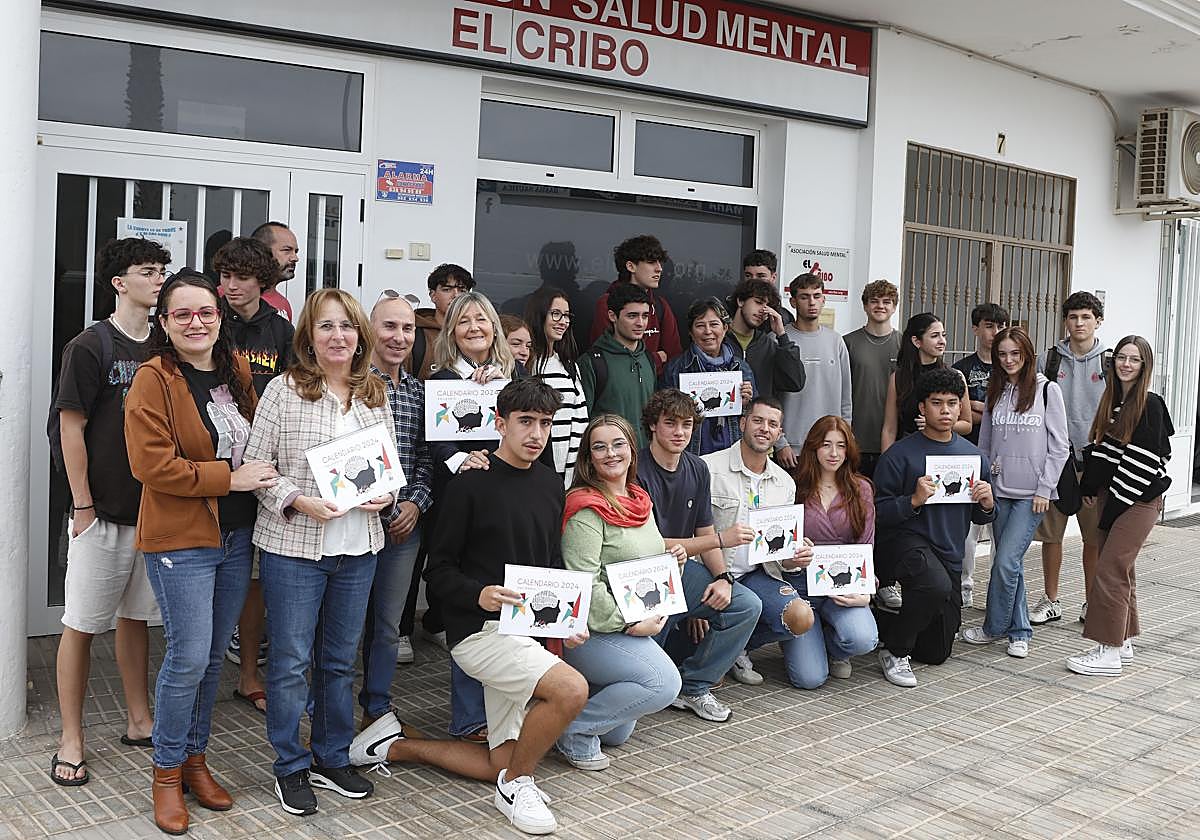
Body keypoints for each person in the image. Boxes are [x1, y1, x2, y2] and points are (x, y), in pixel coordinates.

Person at [349, 379, 589, 836]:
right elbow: (437, 570)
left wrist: (567, 618)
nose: (536, 434)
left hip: (525, 631)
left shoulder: (549, 481)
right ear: (499, 423)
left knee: (498, 760)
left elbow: (551, 563)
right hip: (478, 634)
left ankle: (393, 746)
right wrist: (478, 595)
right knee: (570, 690)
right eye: (525, 422)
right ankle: (517, 788)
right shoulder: (469, 485)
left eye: (544, 423)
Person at [124, 270, 278, 834]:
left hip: (235, 537)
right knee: (187, 658)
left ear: (221, 317)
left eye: (206, 313)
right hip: (182, 538)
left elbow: (260, 438)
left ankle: (194, 759)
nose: (196, 322)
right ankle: (165, 773)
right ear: (164, 322)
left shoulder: (236, 369)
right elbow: (151, 466)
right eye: (183, 314)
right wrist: (229, 479)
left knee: (213, 659)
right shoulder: (152, 379)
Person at [244, 288, 397, 815]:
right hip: (295, 548)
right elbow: (257, 467)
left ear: (361, 336)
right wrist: (299, 500)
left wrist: (387, 495)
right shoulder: (283, 392)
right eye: (326, 327)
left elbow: (388, 468)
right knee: (289, 662)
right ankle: (290, 766)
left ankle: (331, 757)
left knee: (338, 661)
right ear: (308, 335)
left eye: (347, 327)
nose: (338, 337)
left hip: (359, 549)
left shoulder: (375, 394)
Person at [50, 237, 168, 787]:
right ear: (119, 282)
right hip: (100, 514)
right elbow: (69, 428)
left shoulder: (167, 344)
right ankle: (71, 737)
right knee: (80, 625)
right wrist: (82, 505)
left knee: (137, 619)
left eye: (162, 269)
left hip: (153, 513)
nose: (159, 278)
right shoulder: (91, 346)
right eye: (149, 271)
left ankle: (139, 719)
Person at [421, 290, 522, 742]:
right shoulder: (441, 379)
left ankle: (506, 704)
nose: (474, 328)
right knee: (467, 598)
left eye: (482, 319)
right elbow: (434, 440)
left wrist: (503, 390)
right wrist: (461, 458)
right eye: (464, 322)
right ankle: (468, 718)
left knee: (504, 596)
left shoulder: (512, 378)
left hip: (505, 500)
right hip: (460, 499)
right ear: (451, 331)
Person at [558, 414, 686, 766]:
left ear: (632, 449)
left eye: (618, 444)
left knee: (616, 733)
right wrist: (631, 623)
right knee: (663, 683)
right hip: (593, 633)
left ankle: (579, 707)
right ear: (588, 457)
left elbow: (644, 562)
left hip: (632, 628)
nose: (610, 453)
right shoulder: (586, 510)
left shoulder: (639, 500)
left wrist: (671, 559)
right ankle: (571, 729)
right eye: (599, 447)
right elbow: (583, 585)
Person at [635, 389, 761, 720]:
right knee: (649, 662)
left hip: (683, 570)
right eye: (670, 423)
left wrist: (723, 578)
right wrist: (722, 539)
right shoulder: (635, 468)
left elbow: (704, 532)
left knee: (746, 605)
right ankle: (644, 687)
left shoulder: (697, 468)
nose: (679, 433)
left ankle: (694, 687)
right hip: (642, 574)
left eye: (687, 425)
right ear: (652, 425)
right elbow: (650, 545)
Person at [214, 235, 296, 714]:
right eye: (225, 277)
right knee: (224, 572)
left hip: (269, 467)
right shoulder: (213, 324)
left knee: (257, 579)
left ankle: (249, 674)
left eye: (241, 278)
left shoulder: (280, 332)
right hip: (220, 466)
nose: (231, 286)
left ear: (262, 282)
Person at [872, 369, 995, 687]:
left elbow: (978, 520)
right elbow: (876, 513)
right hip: (903, 543)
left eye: (952, 403)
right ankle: (894, 652)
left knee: (936, 651)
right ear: (922, 408)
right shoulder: (899, 455)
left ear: (960, 408)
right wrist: (912, 501)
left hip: (948, 553)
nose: (945, 410)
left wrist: (987, 505)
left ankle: (881, 624)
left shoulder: (974, 457)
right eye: (936, 403)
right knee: (934, 584)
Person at [1067, 336, 1173, 676]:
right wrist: (1089, 487)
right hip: (1115, 498)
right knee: (1121, 570)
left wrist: (1112, 506)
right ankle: (1123, 641)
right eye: (1122, 358)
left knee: (1109, 569)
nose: (1126, 364)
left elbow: (1143, 463)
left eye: (1135, 360)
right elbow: (1106, 454)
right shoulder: (1114, 403)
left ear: (1145, 367)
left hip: (1138, 500)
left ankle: (1108, 651)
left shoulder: (1149, 404)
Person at [960, 327, 1068, 659]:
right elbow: (986, 444)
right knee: (1012, 565)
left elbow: (1060, 447)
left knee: (1006, 562)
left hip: (1031, 496)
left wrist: (1045, 489)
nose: (1008, 360)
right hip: (999, 492)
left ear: (1027, 354)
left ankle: (995, 627)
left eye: (1015, 354)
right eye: (1002, 354)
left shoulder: (1047, 391)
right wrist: (983, 481)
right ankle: (1019, 630)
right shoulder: (996, 392)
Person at [702, 398, 816, 687]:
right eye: (758, 420)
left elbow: (781, 556)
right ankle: (713, 649)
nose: (764, 429)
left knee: (800, 617)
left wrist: (795, 557)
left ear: (779, 433)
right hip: (711, 574)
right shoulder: (708, 468)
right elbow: (694, 533)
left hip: (756, 575)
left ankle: (737, 648)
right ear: (742, 423)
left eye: (773, 424)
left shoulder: (784, 483)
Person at [358, 293, 434, 721]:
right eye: (389, 326)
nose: (399, 337)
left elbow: (427, 458)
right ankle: (324, 710)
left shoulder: (419, 393)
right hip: (356, 523)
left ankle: (377, 707)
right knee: (342, 626)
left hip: (404, 527)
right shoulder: (350, 387)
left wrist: (416, 506)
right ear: (370, 330)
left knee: (387, 628)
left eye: (407, 329)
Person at [780, 416, 880, 685]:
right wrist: (791, 558)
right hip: (801, 585)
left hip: (843, 583)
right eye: (826, 445)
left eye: (841, 445)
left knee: (863, 639)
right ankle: (809, 642)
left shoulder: (862, 489)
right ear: (813, 447)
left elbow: (866, 546)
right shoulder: (793, 487)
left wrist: (866, 590)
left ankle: (834, 648)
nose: (834, 453)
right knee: (809, 679)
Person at [1030, 292, 1110, 626]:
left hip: (1094, 462)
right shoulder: (1049, 360)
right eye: (1073, 317)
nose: (1079, 323)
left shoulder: (1110, 362)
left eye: (1086, 317)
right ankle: (1051, 600)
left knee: (1093, 539)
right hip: (1055, 461)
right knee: (1051, 537)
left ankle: (1092, 603)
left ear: (1098, 321)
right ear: (1065, 321)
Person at [952, 303, 1009, 608]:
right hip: (970, 458)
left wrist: (979, 407)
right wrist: (984, 408)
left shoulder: (1011, 366)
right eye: (989, 326)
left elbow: (1007, 411)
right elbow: (963, 415)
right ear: (976, 328)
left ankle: (999, 594)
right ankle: (964, 589)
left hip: (1004, 461)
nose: (994, 333)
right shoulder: (962, 369)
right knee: (968, 533)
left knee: (1002, 532)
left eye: (1000, 326)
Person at [659, 298, 756, 456]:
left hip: (732, 454)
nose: (708, 331)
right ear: (690, 332)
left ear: (725, 329)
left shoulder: (741, 368)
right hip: (692, 454)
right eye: (700, 325)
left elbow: (755, 418)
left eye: (714, 324)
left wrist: (746, 404)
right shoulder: (676, 368)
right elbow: (663, 417)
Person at [780, 274, 852, 464]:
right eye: (804, 297)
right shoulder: (779, 339)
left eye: (817, 296)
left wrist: (844, 438)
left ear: (823, 300)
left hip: (829, 448)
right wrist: (780, 442)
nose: (812, 302)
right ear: (793, 301)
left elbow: (846, 399)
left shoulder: (836, 341)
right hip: (791, 449)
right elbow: (770, 396)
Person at [589, 234, 681, 376]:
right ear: (631, 266)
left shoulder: (660, 305)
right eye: (651, 262)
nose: (659, 269)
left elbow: (674, 359)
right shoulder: (606, 304)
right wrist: (655, 358)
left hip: (656, 394)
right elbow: (607, 360)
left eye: (659, 262)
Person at [524, 285, 589, 486]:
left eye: (567, 315)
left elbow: (580, 420)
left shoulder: (569, 365)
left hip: (566, 472)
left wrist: (574, 472)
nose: (563, 322)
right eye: (556, 314)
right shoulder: (524, 362)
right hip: (530, 466)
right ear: (540, 314)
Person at [881, 313, 973, 451]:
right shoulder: (899, 378)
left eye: (943, 335)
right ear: (917, 341)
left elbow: (967, 425)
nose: (942, 341)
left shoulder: (955, 376)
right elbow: (889, 429)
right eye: (935, 336)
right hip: (909, 450)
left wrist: (939, 424)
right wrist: (886, 462)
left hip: (943, 451)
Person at [580, 283, 656, 447]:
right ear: (612, 316)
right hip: (610, 460)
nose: (640, 323)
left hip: (646, 462)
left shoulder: (648, 358)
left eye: (645, 316)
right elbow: (581, 423)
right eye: (632, 316)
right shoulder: (592, 362)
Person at [843, 279, 901, 478]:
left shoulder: (904, 345)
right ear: (865, 306)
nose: (880, 306)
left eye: (886, 301)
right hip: (855, 439)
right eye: (874, 301)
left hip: (895, 440)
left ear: (894, 307)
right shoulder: (847, 343)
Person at [725, 272, 805, 402]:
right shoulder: (718, 341)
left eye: (768, 307)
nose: (763, 311)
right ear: (740, 301)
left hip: (760, 420)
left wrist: (782, 335)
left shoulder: (769, 345)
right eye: (758, 302)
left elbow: (795, 383)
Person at [408, 263, 476, 380]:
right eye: (447, 289)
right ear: (433, 295)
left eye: (462, 290)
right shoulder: (414, 333)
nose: (455, 295)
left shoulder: (478, 333)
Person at [249, 222, 299, 321]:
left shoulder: (283, 304)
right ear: (262, 251)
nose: (295, 258)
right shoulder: (230, 295)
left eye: (295, 251)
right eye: (287, 250)